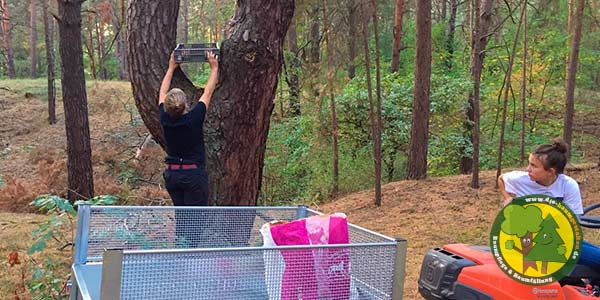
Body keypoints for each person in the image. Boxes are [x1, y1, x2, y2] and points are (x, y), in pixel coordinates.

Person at [498, 138, 600, 272]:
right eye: (529, 164)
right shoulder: (520, 179)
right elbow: (502, 179)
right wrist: (508, 198)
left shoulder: (568, 186)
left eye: (534, 166)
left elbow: (573, 222)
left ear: (550, 172)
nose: (528, 169)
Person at [159, 51, 218, 246]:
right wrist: (214, 67)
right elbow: (207, 92)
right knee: (194, 223)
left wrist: (170, 68)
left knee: (183, 219)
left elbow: (161, 94)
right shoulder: (194, 119)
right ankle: (188, 258)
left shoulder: (165, 119)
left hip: (173, 177)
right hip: (193, 177)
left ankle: (181, 251)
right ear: (185, 106)